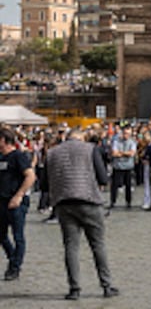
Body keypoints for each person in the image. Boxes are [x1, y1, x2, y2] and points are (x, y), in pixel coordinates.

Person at [46, 128, 119, 301]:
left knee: (71, 247)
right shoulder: (90, 149)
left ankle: (74, 289)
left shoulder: (52, 153)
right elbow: (103, 178)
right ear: (81, 138)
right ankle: (106, 286)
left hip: (64, 203)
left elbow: (44, 183)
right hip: (89, 201)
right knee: (98, 245)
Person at [0, 127, 36, 281]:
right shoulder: (1, 157)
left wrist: (19, 195)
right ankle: (13, 258)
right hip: (2, 201)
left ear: (3, 140)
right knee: (1, 235)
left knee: (18, 235)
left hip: (16, 201)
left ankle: (14, 267)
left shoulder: (18, 156)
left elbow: (30, 176)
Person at [107, 127, 136, 211]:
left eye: (128, 134)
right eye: (125, 133)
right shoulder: (116, 141)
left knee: (128, 185)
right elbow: (114, 153)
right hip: (118, 166)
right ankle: (112, 201)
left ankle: (128, 202)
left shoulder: (132, 142)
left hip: (128, 167)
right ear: (122, 133)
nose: (127, 135)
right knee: (114, 186)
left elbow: (132, 153)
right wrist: (126, 154)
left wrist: (120, 153)